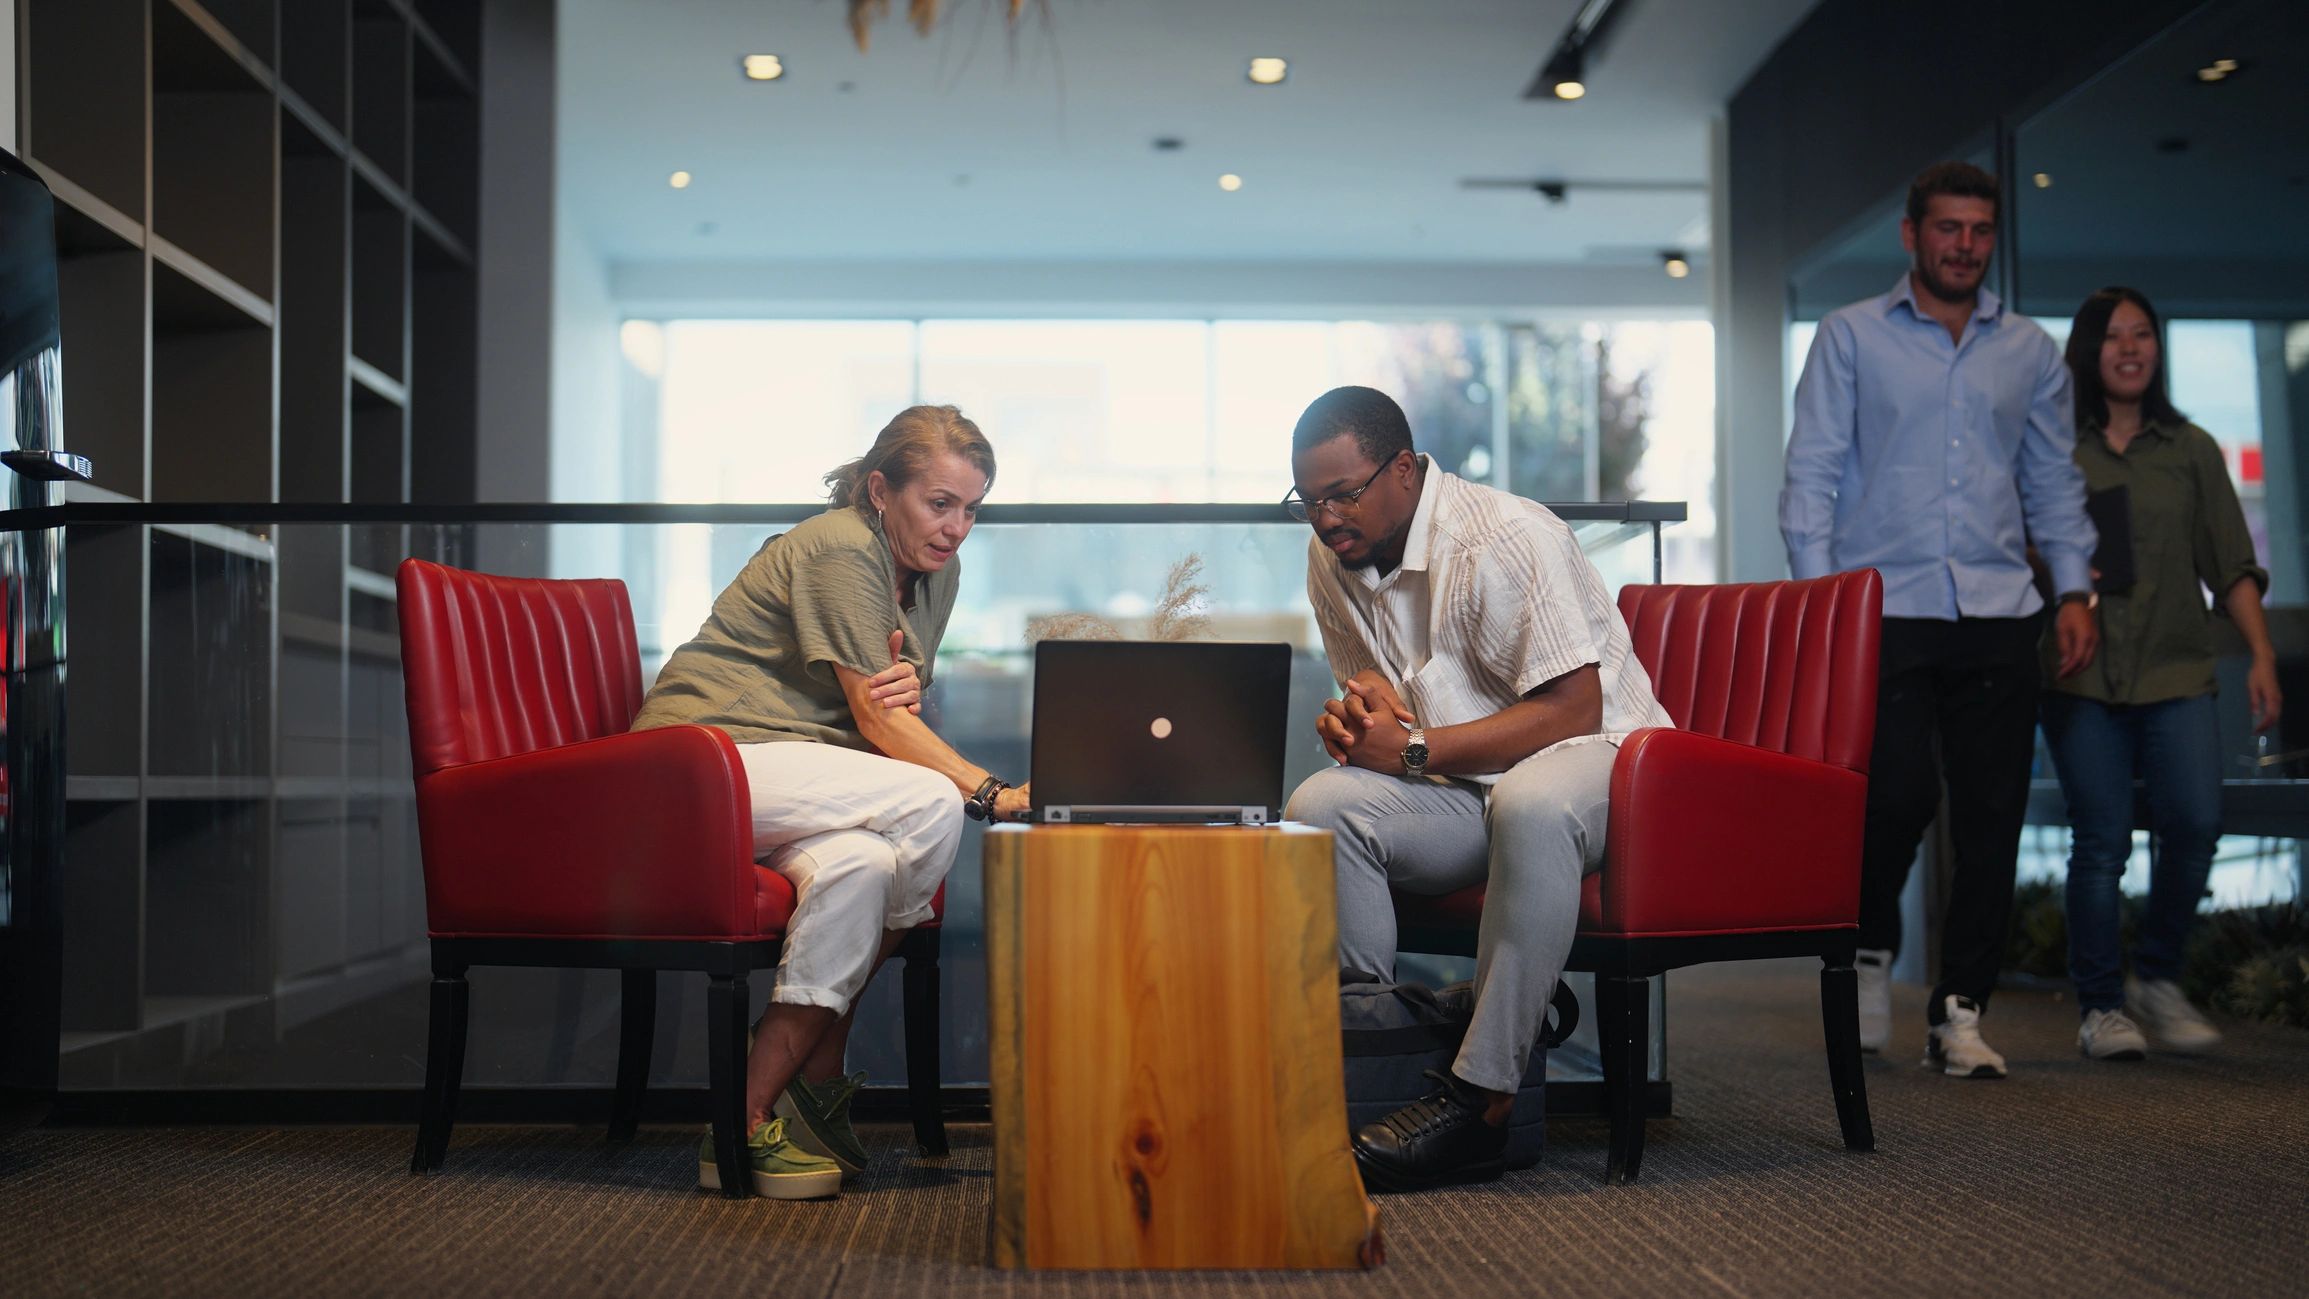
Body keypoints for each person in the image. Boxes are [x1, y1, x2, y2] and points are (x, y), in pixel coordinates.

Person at [631, 404, 1031, 1199]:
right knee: (932, 803)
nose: (957, 527)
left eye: (971, 507)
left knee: (865, 865)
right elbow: (880, 719)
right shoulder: (843, 546)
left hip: (791, 772)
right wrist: (991, 792)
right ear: (880, 490)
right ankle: (808, 1068)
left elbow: (890, 700)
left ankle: (743, 1113)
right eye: (939, 502)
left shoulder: (935, 572)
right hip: (699, 764)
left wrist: (899, 693)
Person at [1281, 385, 1672, 1190]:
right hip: (1465, 782)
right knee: (1319, 806)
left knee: (1532, 801)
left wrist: (1410, 749)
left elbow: (1573, 709)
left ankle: (1482, 1097)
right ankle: (1369, 1060)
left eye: (1342, 494)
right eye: (1308, 501)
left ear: (1402, 468)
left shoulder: (1508, 536)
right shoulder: (1333, 555)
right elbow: (1371, 682)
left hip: (1605, 762)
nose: (1325, 519)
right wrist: (1360, 720)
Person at [1780, 160, 2100, 1079]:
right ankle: (1869, 944)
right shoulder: (1850, 335)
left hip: (1998, 608)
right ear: (1911, 234)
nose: (1964, 245)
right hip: (1883, 606)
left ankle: (1960, 1009)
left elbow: (2050, 480)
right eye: (1948, 227)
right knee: (1894, 796)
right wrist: (1820, 605)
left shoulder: (2028, 351)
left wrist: (2071, 591)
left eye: (1979, 230)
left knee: (1994, 814)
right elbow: (1811, 475)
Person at [2041, 286, 2276, 1062]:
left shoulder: (2192, 448)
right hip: (2082, 677)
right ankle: (2101, 1005)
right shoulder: (2054, 449)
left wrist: (2260, 655)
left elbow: (2230, 564)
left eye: (2141, 334)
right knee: (2100, 840)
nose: (2129, 348)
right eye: (2113, 336)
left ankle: (2157, 975)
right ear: (2087, 351)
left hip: (2176, 670)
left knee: (2195, 821)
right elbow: (2021, 549)